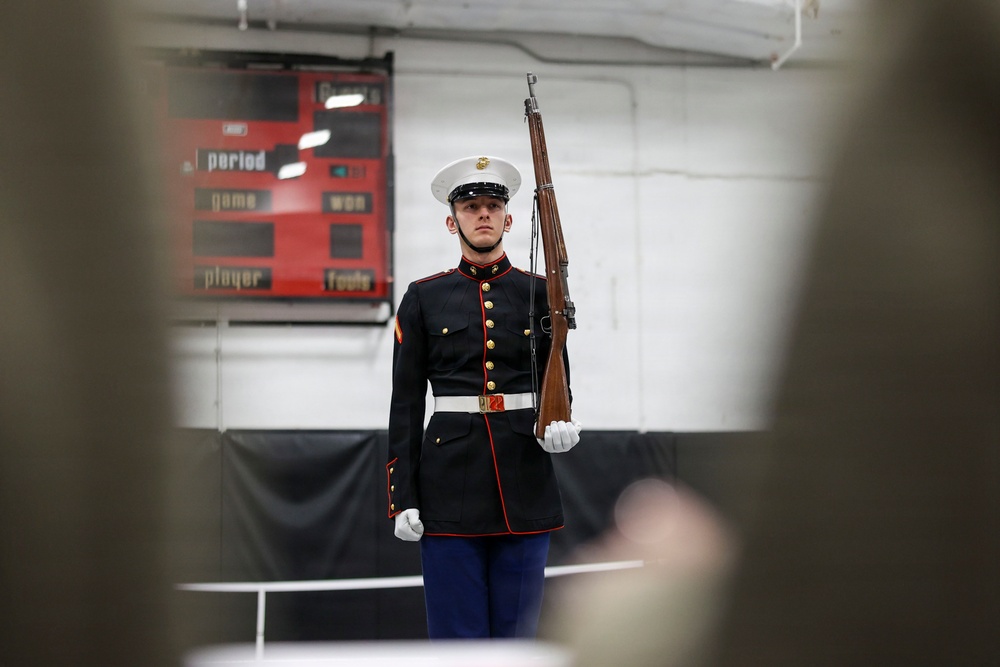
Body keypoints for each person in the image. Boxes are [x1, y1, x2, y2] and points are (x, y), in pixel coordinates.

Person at [387, 155, 582, 639]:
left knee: (517, 639)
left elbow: (558, 377)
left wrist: (562, 422)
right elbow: (407, 403)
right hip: (447, 487)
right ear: (451, 220)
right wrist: (402, 497)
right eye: (471, 206)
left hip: (525, 479)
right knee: (458, 641)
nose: (483, 215)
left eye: (493, 205)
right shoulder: (423, 298)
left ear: (509, 219)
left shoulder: (540, 292)